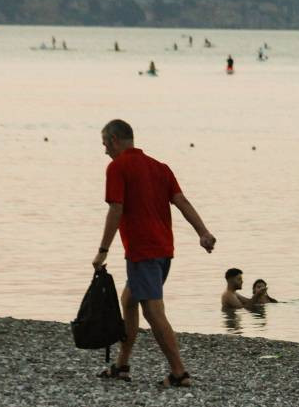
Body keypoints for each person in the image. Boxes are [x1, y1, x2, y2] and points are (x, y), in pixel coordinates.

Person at [92, 119, 217, 388]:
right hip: (164, 251)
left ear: (114, 140)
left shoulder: (117, 167)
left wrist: (103, 250)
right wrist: (203, 233)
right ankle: (122, 366)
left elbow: (116, 208)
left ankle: (179, 373)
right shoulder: (160, 168)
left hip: (142, 251)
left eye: (105, 144)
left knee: (153, 311)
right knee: (129, 300)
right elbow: (181, 201)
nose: (104, 151)